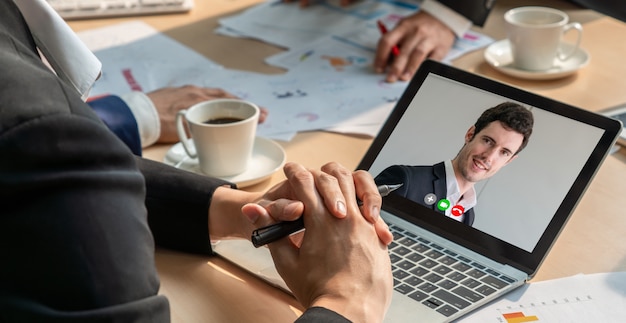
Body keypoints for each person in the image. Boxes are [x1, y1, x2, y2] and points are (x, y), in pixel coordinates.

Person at [0, 1, 393, 322]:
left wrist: (233, 209)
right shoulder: (36, 119)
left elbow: (31, 163)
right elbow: (47, 146)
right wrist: (347, 304)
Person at [375, 102, 534, 226]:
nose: (489, 157)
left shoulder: (468, 214)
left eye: (504, 152)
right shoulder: (406, 180)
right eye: (487, 141)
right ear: (470, 134)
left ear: (509, 161)